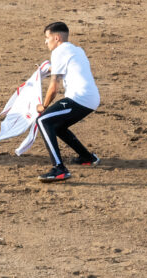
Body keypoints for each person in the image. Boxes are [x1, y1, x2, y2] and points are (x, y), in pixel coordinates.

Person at [34, 21, 102, 182]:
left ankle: (59, 169)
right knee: (57, 125)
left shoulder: (59, 52)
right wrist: (48, 68)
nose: (45, 41)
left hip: (80, 98)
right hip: (91, 98)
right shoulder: (76, 50)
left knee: (43, 120)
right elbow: (65, 67)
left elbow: (54, 87)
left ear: (56, 38)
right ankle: (87, 157)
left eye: (47, 38)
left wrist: (43, 106)